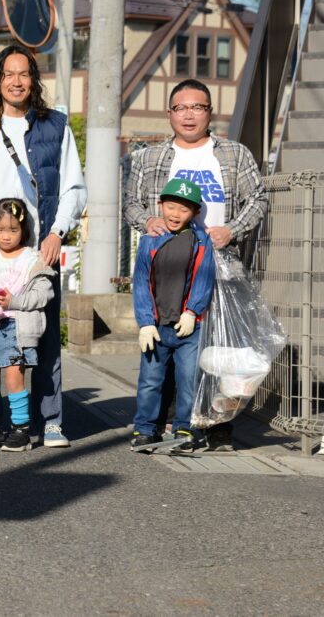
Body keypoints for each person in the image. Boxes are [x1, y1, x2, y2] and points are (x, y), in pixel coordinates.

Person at [123, 78, 267, 451]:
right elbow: (130, 203)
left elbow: (258, 199)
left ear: (209, 113)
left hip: (223, 265)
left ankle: (218, 427)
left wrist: (232, 230)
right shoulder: (150, 157)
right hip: (169, 269)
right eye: (181, 108)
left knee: (221, 350)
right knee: (170, 348)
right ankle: (171, 421)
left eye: (198, 107)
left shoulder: (234, 154)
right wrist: (146, 221)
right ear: (170, 113)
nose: (189, 115)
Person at [0, 44, 87, 448]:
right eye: (8, 74)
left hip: (38, 249)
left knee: (42, 335)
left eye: (24, 73)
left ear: (34, 80)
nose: (16, 81)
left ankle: (50, 421)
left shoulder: (56, 126)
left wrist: (56, 232)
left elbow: (74, 188)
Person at [130, 179, 214, 453]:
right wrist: (144, 322)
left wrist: (192, 311)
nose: (176, 214)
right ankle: (145, 429)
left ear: (194, 213)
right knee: (150, 381)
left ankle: (185, 429)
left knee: (188, 380)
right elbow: (142, 282)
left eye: (184, 209)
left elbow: (204, 277)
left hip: (189, 327)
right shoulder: (149, 241)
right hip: (156, 326)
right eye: (171, 206)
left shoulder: (202, 241)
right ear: (161, 205)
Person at [0, 198, 55, 452]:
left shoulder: (33, 259)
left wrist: (13, 301)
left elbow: (43, 295)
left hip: (19, 330)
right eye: (0, 229)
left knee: (15, 380)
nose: (6, 236)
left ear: (24, 231)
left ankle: (21, 431)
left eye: (13, 230)